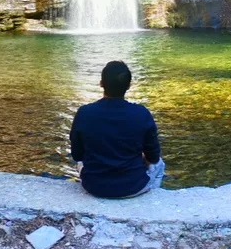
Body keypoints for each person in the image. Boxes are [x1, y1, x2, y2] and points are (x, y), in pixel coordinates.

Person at [69, 61, 164, 198]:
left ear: (101, 83)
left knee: (81, 162)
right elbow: (153, 157)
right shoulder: (142, 114)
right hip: (133, 187)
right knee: (159, 164)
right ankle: (151, 199)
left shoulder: (84, 113)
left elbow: (77, 155)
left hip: (94, 186)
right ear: (129, 86)